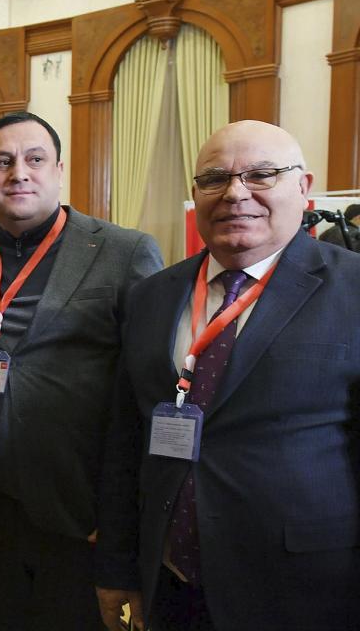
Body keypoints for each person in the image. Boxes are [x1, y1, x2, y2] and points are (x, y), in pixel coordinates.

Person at [96, 120, 360, 631]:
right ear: (196, 194)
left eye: (262, 175)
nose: (235, 193)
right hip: (173, 584)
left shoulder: (352, 289)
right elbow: (125, 441)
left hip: (310, 589)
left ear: (303, 190)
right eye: (215, 178)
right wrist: (116, 563)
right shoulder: (152, 296)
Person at [0, 111, 162, 630]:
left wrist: (124, 523)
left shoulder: (124, 251)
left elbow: (145, 392)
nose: (18, 172)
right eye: (2, 162)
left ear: (59, 169)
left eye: (34, 159)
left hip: (81, 507)